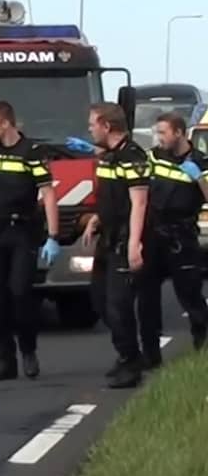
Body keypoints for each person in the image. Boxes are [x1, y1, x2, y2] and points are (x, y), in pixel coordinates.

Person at [0, 102, 60, 381]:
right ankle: (5, 361)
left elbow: (48, 194)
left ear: (6, 123)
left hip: (23, 232)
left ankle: (29, 352)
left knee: (21, 293)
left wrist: (53, 236)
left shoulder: (32, 153)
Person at [71, 102, 150, 389]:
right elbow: (110, 198)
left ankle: (131, 364)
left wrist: (134, 244)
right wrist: (95, 220)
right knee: (100, 301)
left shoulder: (133, 157)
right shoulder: (108, 158)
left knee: (119, 306)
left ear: (107, 126)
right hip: (107, 237)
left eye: (93, 123)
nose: (90, 128)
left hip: (125, 239)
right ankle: (127, 354)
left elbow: (139, 203)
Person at [136, 112, 208, 357]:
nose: (159, 138)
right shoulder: (154, 157)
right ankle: (150, 355)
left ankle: (203, 349)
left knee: (190, 297)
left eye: (163, 132)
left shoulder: (202, 162)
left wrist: (198, 177)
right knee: (146, 299)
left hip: (182, 237)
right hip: (153, 235)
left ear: (179, 132)